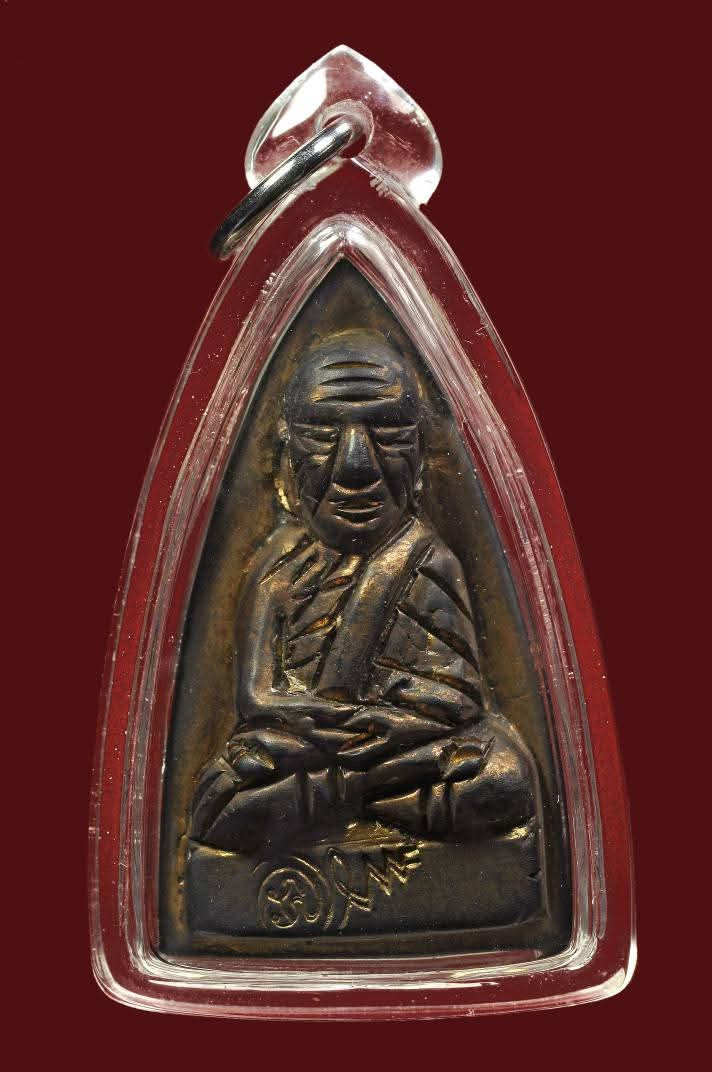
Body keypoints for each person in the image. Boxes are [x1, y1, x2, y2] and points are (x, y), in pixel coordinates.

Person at [192, 330, 538, 854]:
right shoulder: (276, 569)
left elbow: (462, 702)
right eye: (322, 435)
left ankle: (344, 798)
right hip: (312, 746)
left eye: (388, 433)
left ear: (419, 458)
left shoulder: (428, 559)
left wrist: (394, 721)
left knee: (505, 776)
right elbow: (255, 698)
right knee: (223, 787)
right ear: (286, 457)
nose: (356, 466)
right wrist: (318, 721)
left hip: (396, 747)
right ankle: (362, 795)